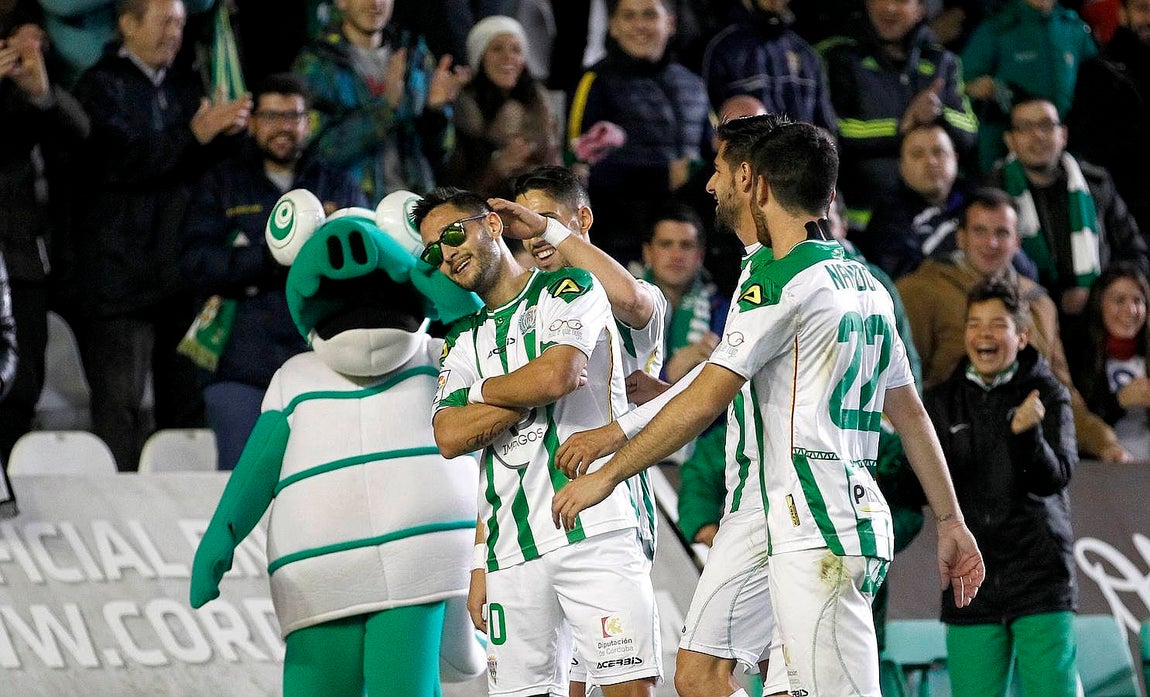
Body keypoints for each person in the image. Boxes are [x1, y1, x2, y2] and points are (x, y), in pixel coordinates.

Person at [552, 116, 984, 697]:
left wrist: (608, 469)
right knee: (700, 674)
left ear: (753, 182)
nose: (711, 184)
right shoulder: (867, 283)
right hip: (776, 510)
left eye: (722, 171)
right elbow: (909, 414)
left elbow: (707, 399)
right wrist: (951, 519)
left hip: (820, 519)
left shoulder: (781, 282)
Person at [415, 187, 662, 696]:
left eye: (454, 234)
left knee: (626, 690)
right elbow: (448, 435)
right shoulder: (461, 339)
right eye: (433, 249)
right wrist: (480, 562)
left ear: (493, 225)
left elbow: (560, 375)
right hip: (510, 549)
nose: (448, 253)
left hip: (596, 527)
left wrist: (479, 391)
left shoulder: (569, 287)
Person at [506, 163, 667, 697]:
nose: (533, 235)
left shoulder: (628, 294)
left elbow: (631, 302)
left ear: (583, 218)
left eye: (546, 220)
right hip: (533, 522)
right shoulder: (521, 309)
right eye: (525, 224)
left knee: (618, 686)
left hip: (606, 516)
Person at [73, 0, 253, 470]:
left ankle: (183, 515)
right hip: (119, 281)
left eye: (179, 22)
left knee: (186, 409)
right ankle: (116, 514)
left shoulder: (189, 85)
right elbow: (117, 161)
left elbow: (202, 169)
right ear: (127, 25)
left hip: (180, 274)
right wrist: (194, 134)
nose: (175, 32)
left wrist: (230, 133)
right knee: (121, 407)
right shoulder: (98, 87)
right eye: (164, 21)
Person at [180, 73, 366, 470]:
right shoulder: (221, 184)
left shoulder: (337, 184)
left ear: (308, 122)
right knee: (241, 484)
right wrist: (272, 255)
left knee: (319, 485)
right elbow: (196, 264)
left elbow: (366, 266)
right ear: (252, 122)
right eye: (271, 115)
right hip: (238, 368)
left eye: (293, 116)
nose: (283, 126)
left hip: (320, 363)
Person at [896, 187, 1132, 462]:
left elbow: (1061, 391)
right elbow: (905, 385)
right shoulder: (920, 293)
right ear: (960, 238)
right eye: (980, 231)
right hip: (955, 457)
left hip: (1032, 456)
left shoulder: (1040, 303)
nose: (991, 243)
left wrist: (1104, 442)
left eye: (1002, 233)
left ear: (1017, 241)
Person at [924, 279, 1077, 697]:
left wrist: (1028, 435)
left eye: (997, 324)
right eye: (975, 324)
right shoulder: (939, 402)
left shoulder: (1048, 394)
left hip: (1039, 579)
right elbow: (915, 486)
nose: (983, 334)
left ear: (1021, 336)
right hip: (969, 581)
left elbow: (1056, 477)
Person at [0, 18, 90, 461]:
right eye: (24, 40)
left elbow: (82, 133)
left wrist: (40, 93)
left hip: (25, 263)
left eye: (42, 40)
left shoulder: (38, 96)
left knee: (24, 382)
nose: (34, 49)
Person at [567, 0, 712, 266]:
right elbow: (579, 169)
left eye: (648, 15)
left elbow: (712, 156)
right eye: (629, 16)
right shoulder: (594, 82)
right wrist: (660, 177)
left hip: (690, 243)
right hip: (620, 242)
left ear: (670, 23)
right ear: (612, 26)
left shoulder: (694, 83)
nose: (639, 25)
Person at [987, 96, 1147, 329]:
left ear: (1063, 135)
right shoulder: (993, 191)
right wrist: (1053, 298)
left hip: (1101, 318)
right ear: (1010, 140)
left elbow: (1134, 251)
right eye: (1025, 128)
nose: (1037, 136)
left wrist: (1103, 293)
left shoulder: (1096, 184)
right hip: (1026, 319)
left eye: (1046, 125)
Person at [818, 0, 977, 228]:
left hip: (934, 217)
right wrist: (901, 126)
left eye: (901, 0)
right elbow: (834, 130)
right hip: (861, 218)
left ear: (922, 8)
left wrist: (938, 113)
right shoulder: (837, 55)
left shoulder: (942, 60)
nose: (889, 8)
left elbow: (970, 130)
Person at [292, 0, 470, 203]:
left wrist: (436, 113)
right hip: (352, 209)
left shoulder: (414, 54)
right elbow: (317, 151)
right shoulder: (317, 62)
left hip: (415, 205)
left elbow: (439, 153)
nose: (375, 3)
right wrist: (386, 109)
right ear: (341, 2)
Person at [962, 0, 1098, 173]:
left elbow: (1095, 84)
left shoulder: (1073, 28)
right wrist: (981, 88)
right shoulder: (996, 28)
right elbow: (963, 82)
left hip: (1067, 145)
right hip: (1006, 147)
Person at [443, 16, 560, 198]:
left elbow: (554, 163)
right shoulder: (462, 107)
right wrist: (496, 169)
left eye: (516, 50)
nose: (508, 58)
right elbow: (453, 185)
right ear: (479, 56)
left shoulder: (538, 101)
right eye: (497, 49)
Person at [1069, 0, 1150, 235]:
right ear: (1123, 14)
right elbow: (1094, 147)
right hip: (1129, 214)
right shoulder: (1100, 72)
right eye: (1143, 8)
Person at [701, 0, 836, 133]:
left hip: (800, 154)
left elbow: (828, 130)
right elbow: (709, 127)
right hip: (748, 154)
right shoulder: (721, 48)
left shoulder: (806, 54)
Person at [858, 124, 967, 279]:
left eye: (939, 152)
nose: (931, 162)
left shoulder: (977, 205)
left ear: (955, 159)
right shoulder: (887, 220)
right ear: (901, 166)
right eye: (917, 155)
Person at [639, 203, 729, 384]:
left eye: (686, 246)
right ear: (648, 253)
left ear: (700, 255)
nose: (676, 255)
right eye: (666, 244)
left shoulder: (725, 313)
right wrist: (669, 373)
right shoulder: (622, 305)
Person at [1074, 263, 1150, 455]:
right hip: (1103, 468)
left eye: (1138, 301)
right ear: (1099, 304)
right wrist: (1119, 401)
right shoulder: (1079, 355)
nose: (1131, 310)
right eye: (1119, 300)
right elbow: (1076, 423)